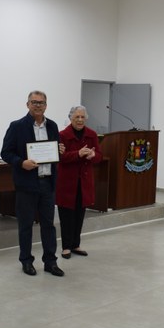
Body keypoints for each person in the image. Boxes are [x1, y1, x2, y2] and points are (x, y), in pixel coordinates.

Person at [0, 91, 64, 277]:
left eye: (41, 102)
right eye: (34, 102)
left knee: (49, 225)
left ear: (46, 105)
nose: (37, 105)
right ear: (27, 104)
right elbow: (6, 153)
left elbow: (54, 151)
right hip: (27, 184)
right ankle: (26, 261)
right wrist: (21, 163)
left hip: (47, 183)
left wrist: (59, 150)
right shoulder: (17, 126)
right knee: (26, 225)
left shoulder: (52, 126)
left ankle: (50, 262)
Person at [57, 105, 102, 259]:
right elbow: (60, 158)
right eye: (77, 117)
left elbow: (99, 156)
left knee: (79, 215)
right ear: (70, 118)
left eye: (83, 117)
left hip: (84, 182)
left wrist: (93, 156)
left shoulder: (92, 134)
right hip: (67, 182)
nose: (80, 120)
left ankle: (76, 244)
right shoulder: (62, 135)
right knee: (66, 216)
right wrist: (78, 154)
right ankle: (66, 247)